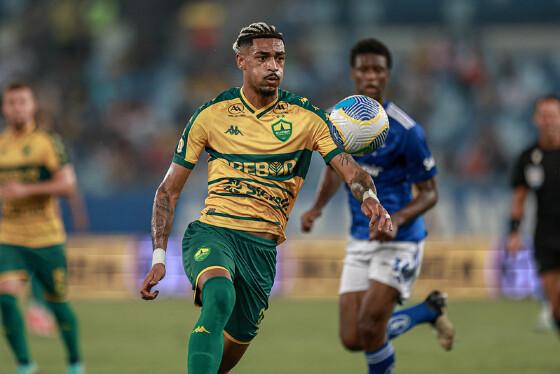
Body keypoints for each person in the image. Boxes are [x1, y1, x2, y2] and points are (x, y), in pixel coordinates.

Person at [140, 22, 393, 374]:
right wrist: (158, 255)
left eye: (279, 58)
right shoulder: (210, 115)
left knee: (229, 351)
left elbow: (353, 172)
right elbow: (168, 189)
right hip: (215, 232)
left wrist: (370, 198)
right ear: (241, 61)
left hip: (261, 253)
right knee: (218, 296)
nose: (273, 66)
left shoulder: (309, 119)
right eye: (263, 57)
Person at [301, 38, 454, 373]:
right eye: (364, 69)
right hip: (360, 237)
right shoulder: (338, 122)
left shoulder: (407, 131)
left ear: (388, 75)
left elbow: (430, 193)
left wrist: (396, 220)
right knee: (353, 338)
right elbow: (335, 170)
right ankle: (427, 311)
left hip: (400, 240)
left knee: (371, 327)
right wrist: (317, 208)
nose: (371, 76)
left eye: (378, 70)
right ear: (353, 73)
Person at [0, 82, 83, 374]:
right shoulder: (1, 145)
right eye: (12, 102)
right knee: (6, 299)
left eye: (22, 102)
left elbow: (68, 184)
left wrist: (26, 190)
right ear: (4, 108)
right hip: (10, 237)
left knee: (59, 305)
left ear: (33, 106)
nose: (17, 107)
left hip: (47, 238)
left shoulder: (48, 142)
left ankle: (74, 363)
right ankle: (25, 365)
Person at [508, 94, 560, 336]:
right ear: (536, 119)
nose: (549, 121)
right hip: (545, 237)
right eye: (544, 116)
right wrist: (514, 231)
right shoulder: (529, 157)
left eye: (553, 116)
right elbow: (519, 198)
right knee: (556, 305)